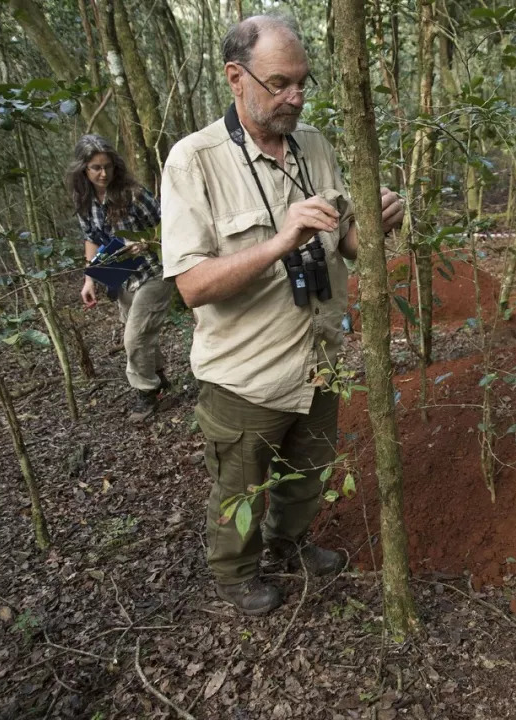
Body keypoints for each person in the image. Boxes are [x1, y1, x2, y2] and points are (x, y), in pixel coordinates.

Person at [161, 16, 405, 615]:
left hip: (319, 359)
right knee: (239, 486)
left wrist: (376, 225)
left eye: (303, 82)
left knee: (307, 473)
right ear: (235, 78)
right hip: (246, 373)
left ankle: (290, 545)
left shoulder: (313, 145)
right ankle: (234, 577)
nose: (295, 96)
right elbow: (190, 286)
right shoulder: (194, 161)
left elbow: (346, 245)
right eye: (279, 83)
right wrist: (279, 241)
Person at [66, 134, 174, 421]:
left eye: (108, 166)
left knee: (134, 336)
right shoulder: (85, 200)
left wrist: (146, 242)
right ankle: (160, 380)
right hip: (121, 276)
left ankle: (146, 393)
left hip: (153, 271)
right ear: (83, 170)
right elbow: (90, 238)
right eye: (96, 168)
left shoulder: (133, 194)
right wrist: (89, 279)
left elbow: (168, 227)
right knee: (139, 331)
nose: (103, 174)